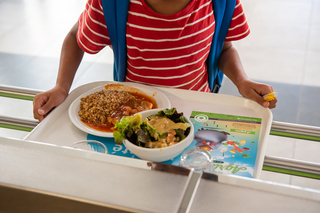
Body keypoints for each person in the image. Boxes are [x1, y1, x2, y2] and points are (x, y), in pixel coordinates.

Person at [33, 0, 277, 121]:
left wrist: (242, 81)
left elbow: (224, 49)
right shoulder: (112, 4)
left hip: (197, 111)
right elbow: (77, 37)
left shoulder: (219, 4)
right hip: (133, 116)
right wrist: (61, 87)